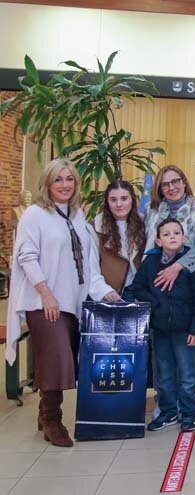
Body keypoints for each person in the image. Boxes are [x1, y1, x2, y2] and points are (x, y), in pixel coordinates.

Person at [5, 159, 108, 446]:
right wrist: (47, 295)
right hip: (44, 303)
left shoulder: (76, 215)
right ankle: (53, 420)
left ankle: (43, 413)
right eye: (58, 180)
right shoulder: (35, 215)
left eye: (69, 179)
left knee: (59, 359)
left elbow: (86, 260)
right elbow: (26, 257)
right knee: (58, 359)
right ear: (47, 184)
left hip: (71, 303)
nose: (64, 184)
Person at [124, 218, 195, 433]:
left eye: (176, 233)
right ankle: (168, 412)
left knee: (187, 376)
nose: (172, 236)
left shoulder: (194, 264)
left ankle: (189, 414)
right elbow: (136, 288)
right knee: (164, 375)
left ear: (185, 238)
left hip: (185, 331)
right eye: (166, 234)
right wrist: (154, 302)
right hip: (160, 330)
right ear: (159, 241)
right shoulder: (151, 263)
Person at [144, 165, 195, 291]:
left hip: (185, 277)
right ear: (160, 189)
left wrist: (176, 267)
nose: (171, 187)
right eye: (165, 184)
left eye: (175, 181)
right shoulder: (151, 211)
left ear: (184, 182)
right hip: (154, 276)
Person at [89, 180, 146, 299]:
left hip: (139, 294)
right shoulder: (94, 228)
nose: (119, 204)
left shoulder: (144, 224)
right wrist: (104, 291)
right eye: (113, 200)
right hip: (110, 295)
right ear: (107, 202)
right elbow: (90, 268)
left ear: (132, 200)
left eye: (124, 198)